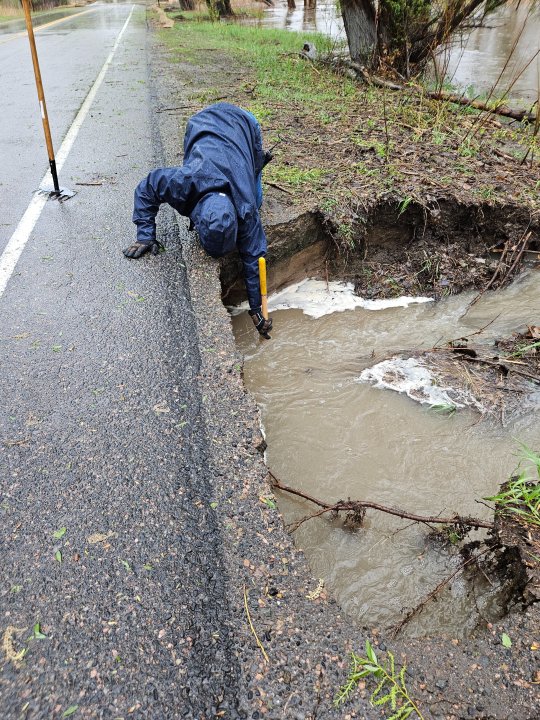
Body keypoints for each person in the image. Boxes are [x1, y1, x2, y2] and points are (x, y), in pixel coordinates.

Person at [123, 102, 273, 339]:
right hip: (201, 123)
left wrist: (256, 309)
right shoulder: (183, 183)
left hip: (245, 123)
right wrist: (145, 234)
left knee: (255, 193)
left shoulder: (246, 209)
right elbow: (146, 187)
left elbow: (255, 258)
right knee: (209, 163)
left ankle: (254, 162)